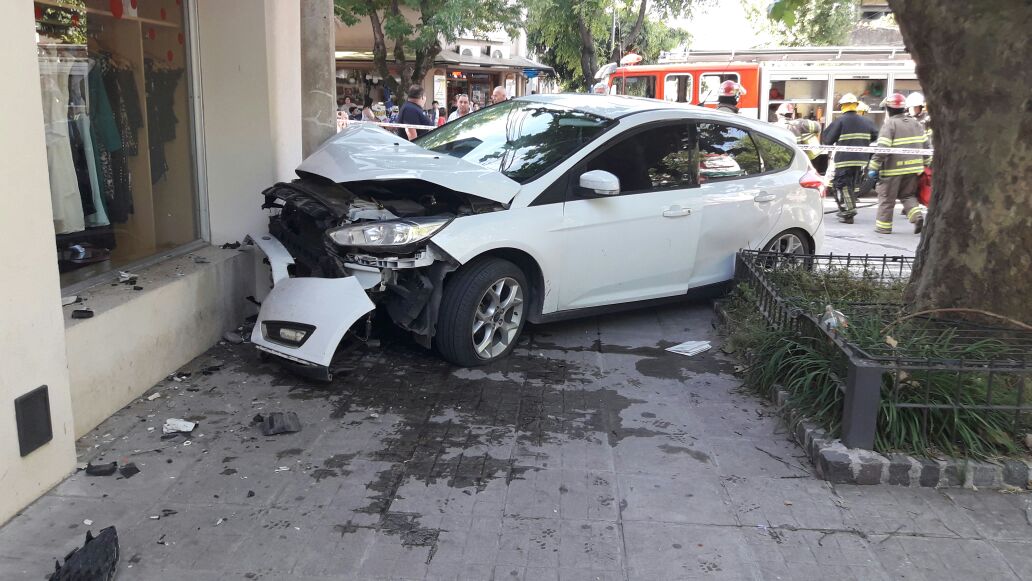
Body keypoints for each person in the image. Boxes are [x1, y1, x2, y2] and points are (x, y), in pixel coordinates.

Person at [869, 93, 931, 234]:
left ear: (889, 109)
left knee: (886, 199)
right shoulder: (916, 124)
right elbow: (927, 146)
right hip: (914, 169)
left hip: (892, 170)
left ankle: (883, 228)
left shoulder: (890, 124)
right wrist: (925, 165)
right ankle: (917, 217)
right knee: (908, 196)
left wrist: (873, 166)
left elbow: (883, 148)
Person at [821, 93, 880, 224]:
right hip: (862, 160)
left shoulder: (840, 121)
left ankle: (849, 210)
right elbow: (876, 135)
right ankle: (848, 209)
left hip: (844, 159)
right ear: (855, 105)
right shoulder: (866, 121)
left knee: (841, 184)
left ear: (842, 106)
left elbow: (827, 139)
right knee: (853, 184)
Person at [776, 103, 825, 172]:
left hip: (784, 160)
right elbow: (818, 127)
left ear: (778, 115)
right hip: (806, 158)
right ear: (792, 114)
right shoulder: (800, 123)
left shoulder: (774, 126)